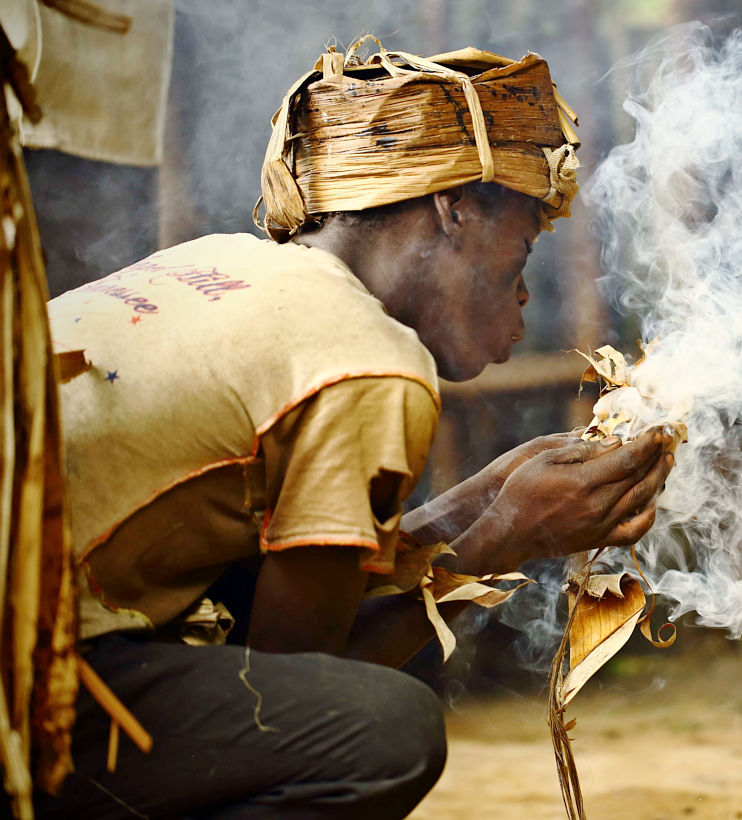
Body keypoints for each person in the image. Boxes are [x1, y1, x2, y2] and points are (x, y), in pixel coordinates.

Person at [33, 42, 673, 819]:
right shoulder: (370, 359)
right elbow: (285, 681)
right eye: (525, 245)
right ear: (454, 206)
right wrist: (509, 536)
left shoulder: (220, 263)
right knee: (383, 731)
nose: (525, 292)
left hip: (47, 637)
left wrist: (477, 504)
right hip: (30, 687)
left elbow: (287, 587)